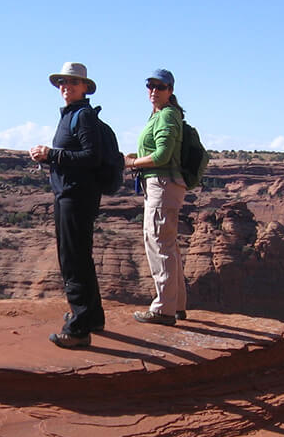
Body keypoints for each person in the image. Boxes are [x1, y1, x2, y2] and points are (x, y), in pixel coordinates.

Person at [30, 62, 107, 348]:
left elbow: (91, 157)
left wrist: (52, 154)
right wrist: (48, 156)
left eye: (73, 82)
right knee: (79, 257)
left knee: (73, 261)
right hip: (71, 195)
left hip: (76, 197)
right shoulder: (72, 115)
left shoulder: (83, 116)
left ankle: (78, 329)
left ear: (85, 87)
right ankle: (92, 316)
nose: (66, 86)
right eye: (62, 82)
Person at [124, 69, 187, 326]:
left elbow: (161, 156)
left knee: (159, 244)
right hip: (161, 184)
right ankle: (177, 305)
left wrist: (132, 163)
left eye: (160, 87)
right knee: (168, 245)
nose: (153, 90)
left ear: (170, 90)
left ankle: (163, 310)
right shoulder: (160, 114)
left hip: (162, 185)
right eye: (149, 85)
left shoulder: (168, 115)